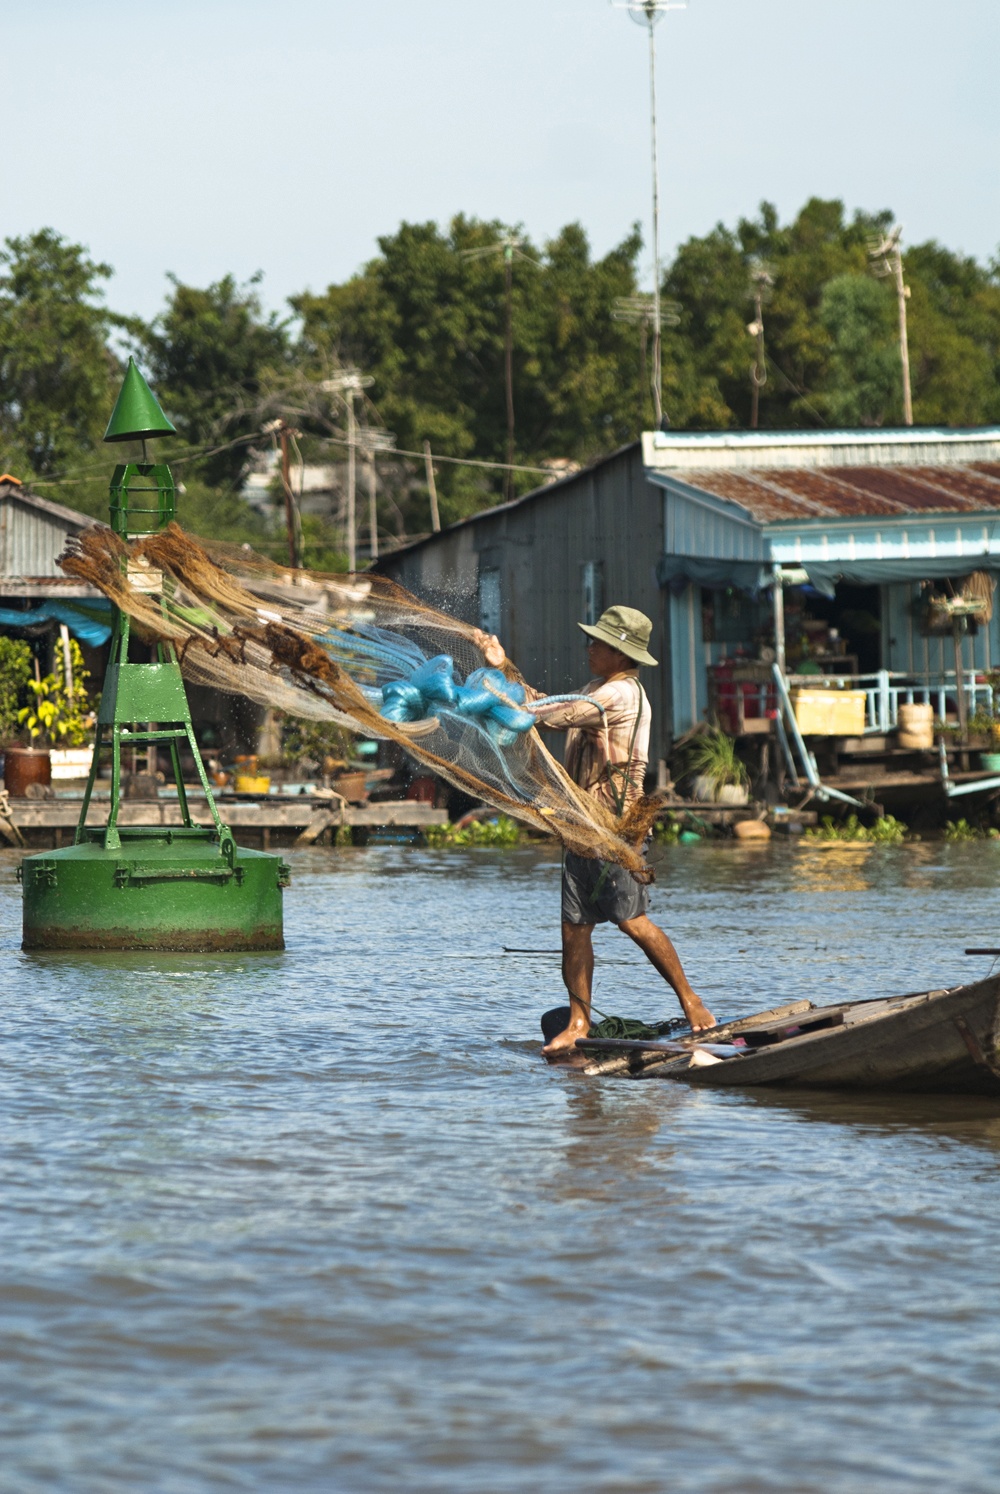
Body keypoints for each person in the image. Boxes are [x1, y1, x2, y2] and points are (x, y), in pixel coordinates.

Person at [474, 605, 716, 1056]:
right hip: (581, 824)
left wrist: (504, 685)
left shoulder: (621, 695)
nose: (589, 648)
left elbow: (551, 715)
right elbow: (543, 703)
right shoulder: (595, 689)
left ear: (620, 654)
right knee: (574, 927)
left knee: (632, 922)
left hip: (613, 826)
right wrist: (501, 665)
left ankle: (691, 1000)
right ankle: (579, 1022)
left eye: (598, 643)